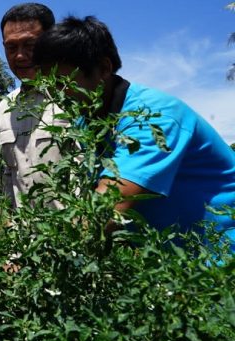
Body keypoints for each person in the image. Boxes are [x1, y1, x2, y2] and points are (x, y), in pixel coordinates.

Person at [33, 15, 235, 245]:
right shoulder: (87, 121)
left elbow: (105, 209)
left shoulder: (154, 117)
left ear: (104, 68)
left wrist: (40, 253)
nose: (56, 94)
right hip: (172, 256)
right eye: (50, 84)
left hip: (222, 251)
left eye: (64, 82)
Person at [0, 3, 67, 209]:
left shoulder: (75, 96)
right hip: (23, 229)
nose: (19, 55)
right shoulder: (6, 105)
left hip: (74, 227)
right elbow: (10, 175)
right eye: (11, 47)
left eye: (30, 45)